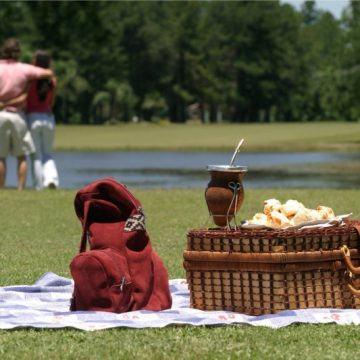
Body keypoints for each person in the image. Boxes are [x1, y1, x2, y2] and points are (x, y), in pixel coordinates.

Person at [0, 38, 54, 190]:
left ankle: (1, 188)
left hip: (0, 114)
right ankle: (20, 188)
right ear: (18, 53)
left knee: (0, 156)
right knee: (21, 155)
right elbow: (48, 73)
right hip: (18, 115)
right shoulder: (24, 68)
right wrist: (29, 83)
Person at [27, 50, 59, 190]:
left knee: (36, 155)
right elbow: (52, 102)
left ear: (36, 62)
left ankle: (38, 186)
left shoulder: (30, 79)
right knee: (48, 154)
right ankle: (51, 180)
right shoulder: (52, 80)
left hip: (32, 117)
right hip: (48, 117)